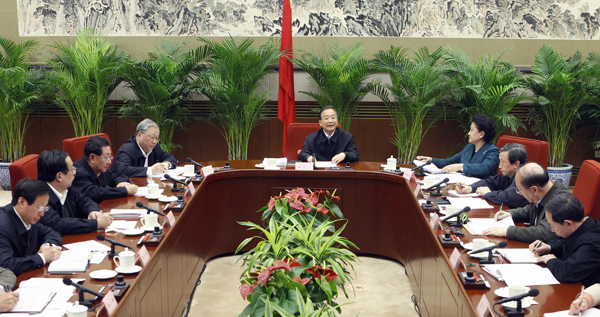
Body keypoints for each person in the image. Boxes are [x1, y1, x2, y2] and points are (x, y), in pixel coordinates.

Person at [483, 162, 568, 243]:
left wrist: (508, 231)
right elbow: (531, 209)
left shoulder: (561, 201)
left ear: (534, 189)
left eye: (520, 190)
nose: (520, 193)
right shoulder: (543, 193)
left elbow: (544, 233)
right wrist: (511, 214)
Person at [529, 193, 600, 287]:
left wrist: (550, 260)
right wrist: (549, 248)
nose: (552, 230)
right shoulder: (583, 226)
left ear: (568, 224)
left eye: (552, 226)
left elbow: (567, 273)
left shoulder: (593, 243)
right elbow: (566, 243)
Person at [37, 150, 113, 235]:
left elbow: (84, 200)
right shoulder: (39, 197)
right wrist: (96, 223)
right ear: (59, 176)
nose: (75, 172)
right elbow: (58, 225)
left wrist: (93, 211)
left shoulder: (65, 188)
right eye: (72, 169)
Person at [0, 178, 62, 276]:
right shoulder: (3, 225)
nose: (42, 213)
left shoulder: (28, 218)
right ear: (21, 202)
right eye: (40, 207)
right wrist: (42, 258)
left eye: (45, 208)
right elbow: (5, 265)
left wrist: (46, 246)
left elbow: (51, 232)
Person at [417, 114, 499, 178]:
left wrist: (461, 166)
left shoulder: (492, 151)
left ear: (481, 134)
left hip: (480, 190)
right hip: (462, 187)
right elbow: (449, 162)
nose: (468, 133)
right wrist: (431, 160)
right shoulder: (469, 148)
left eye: (471, 130)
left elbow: (484, 168)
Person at [455, 143, 529, 208]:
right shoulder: (510, 174)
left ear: (516, 164)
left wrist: (488, 194)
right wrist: (470, 188)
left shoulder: (525, 178)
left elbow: (506, 198)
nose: (500, 166)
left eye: (503, 162)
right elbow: (490, 182)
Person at [72, 136, 138, 203]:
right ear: (92, 158)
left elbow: (116, 175)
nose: (109, 162)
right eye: (106, 158)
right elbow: (95, 193)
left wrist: (121, 183)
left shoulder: (99, 168)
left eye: (110, 158)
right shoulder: (77, 173)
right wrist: (124, 190)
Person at [110, 118, 178, 177]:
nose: (154, 141)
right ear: (139, 135)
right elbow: (123, 170)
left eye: (157, 138)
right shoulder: (127, 149)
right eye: (152, 137)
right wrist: (150, 170)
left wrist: (166, 164)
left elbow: (170, 158)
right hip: (124, 187)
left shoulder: (155, 147)